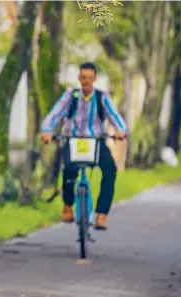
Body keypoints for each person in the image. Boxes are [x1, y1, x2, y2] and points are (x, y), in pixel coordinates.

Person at [41, 62, 126, 230]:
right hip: (73, 140)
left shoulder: (102, 97)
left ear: (95, 79)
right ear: (79, 78)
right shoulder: (70, 96)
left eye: (89, 78)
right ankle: (68, 205)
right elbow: (55, 113)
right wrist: (47, 130)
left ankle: (101, 213)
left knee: (110, 169)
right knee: (69, 171)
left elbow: (115, 116)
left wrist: (120, 130)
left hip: (96, 141)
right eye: (83, 77)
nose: (86, 81)